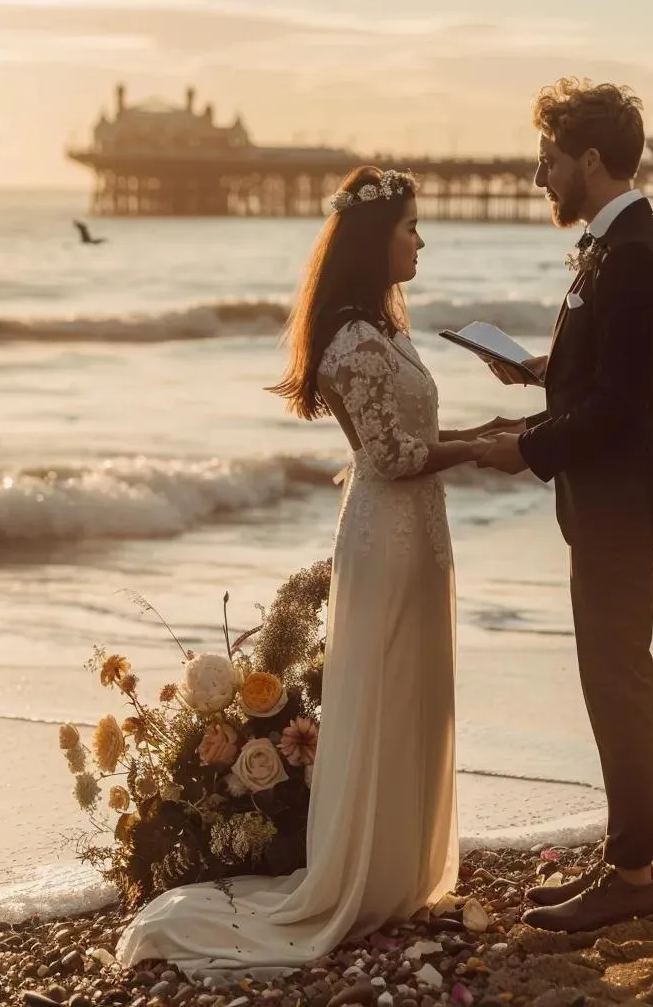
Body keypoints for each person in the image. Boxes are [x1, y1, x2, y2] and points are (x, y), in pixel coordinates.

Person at [116, 166, 498, 975]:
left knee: (416, 690)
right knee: (390, 685)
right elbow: (393, 457)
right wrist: (487, 451)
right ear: (374, 241)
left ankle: (399, 868)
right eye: (410, 228)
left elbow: (412, 436)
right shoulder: (351, 342)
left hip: (416, 530)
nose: (421, 240)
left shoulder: (388, 334)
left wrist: (487, 427)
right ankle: (363, 874)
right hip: (389, 535)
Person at [477, 79, 653, 933]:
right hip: (604, 500)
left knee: (618, 686)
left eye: (550, 160)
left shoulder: (634, 254)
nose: (541, 177)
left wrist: (524, 448)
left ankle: (633, 875)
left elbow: (621, 407)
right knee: (610, 682)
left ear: (590, 160)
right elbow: (608, 375)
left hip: (618, 502)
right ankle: (626, 862)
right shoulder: (616, 245)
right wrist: (540, 372)